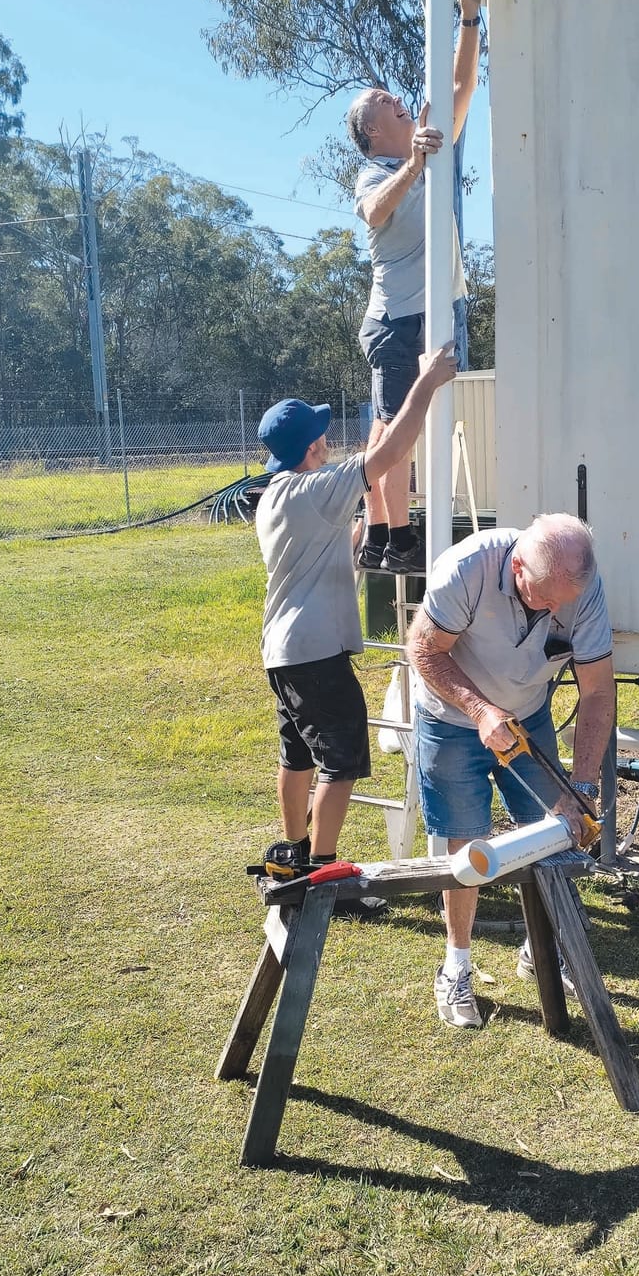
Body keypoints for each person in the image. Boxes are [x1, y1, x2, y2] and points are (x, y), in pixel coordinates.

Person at [254, 343, 458, 880]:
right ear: (313, 446)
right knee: (341, 760)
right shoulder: (313, 488)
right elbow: (391, 453)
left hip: (283, 650)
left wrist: (370, 523)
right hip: (317, 651)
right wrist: (428, 382)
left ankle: (295, 850)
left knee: (296, 753)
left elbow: (339, 539)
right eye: (321, 434)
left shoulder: (275, 495)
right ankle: (321, 871)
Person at [406, 515, 616, 1028]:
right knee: (466, 845)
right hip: (451, 717)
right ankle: (456, 966)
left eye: (562, 603)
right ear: (517, 564)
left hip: (528, 713)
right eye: (544, 599)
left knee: (555, 832)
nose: (555, 611)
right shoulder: (466, 569)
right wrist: (480, 712)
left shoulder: (577, 588)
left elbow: (598, 692)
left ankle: (542, 950)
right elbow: (422, 650)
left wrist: (582, 785)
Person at [345, 0, 483, 576]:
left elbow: (460, 86)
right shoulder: (373, 171)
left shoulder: (432, 143)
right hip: (397, 319)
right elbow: (376, 213)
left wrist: (470, 15)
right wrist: (415, 165)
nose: (398, 99)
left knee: (409, 426)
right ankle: (388, 534)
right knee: (393, 428)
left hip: (439, 308)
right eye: (384, 102)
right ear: (372, 131)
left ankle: (388, 532)